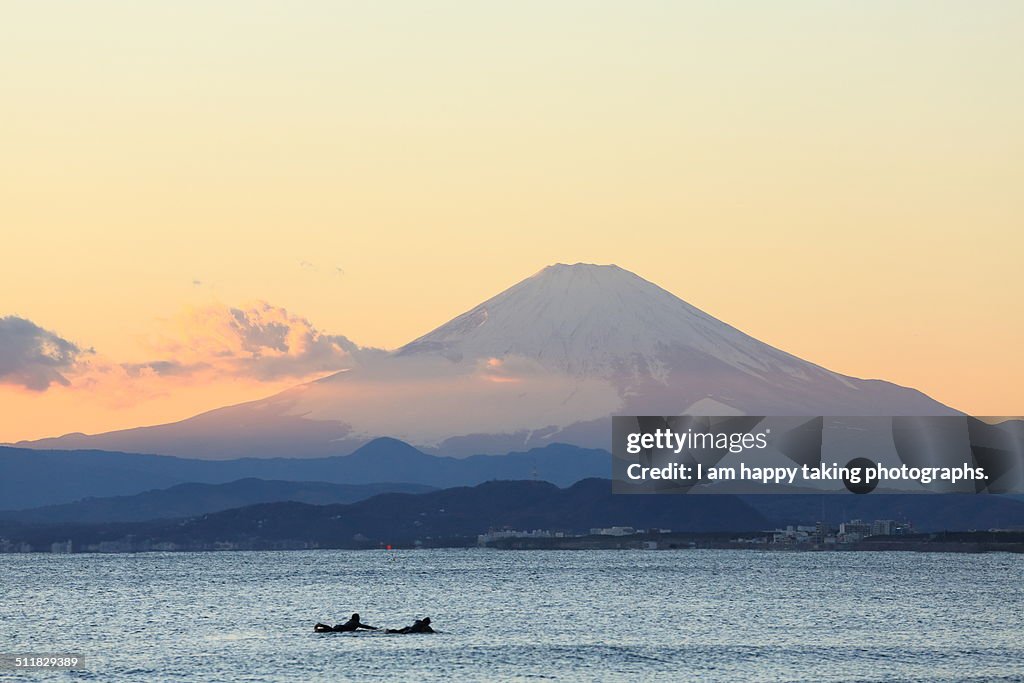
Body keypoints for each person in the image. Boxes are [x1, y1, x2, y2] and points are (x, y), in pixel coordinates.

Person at [314, 613, 379, 633]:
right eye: (358, 617)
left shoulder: (351, 621)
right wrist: (376, 629)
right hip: (342, 628)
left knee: (331, 630)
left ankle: (320, 627)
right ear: (356, 618)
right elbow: (365, 627)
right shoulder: (355, 622)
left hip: (339, 627)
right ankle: (320, 626)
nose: (359, 619)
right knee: (331, 630)